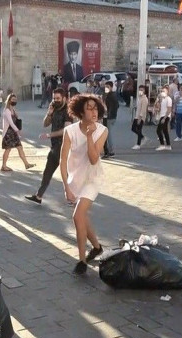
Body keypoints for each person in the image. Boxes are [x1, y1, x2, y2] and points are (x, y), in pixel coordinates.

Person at [60, 94, 107, 276]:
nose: (94, 112)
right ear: (80, 112)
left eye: (96, 108)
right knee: (82, 217)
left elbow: (94, 159)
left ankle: (82, 261)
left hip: (92, 178)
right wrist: (66, 187)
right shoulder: (70, 131)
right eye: (89, 108)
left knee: (77, 215)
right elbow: (62, 160)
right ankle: (97, 247)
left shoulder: (102, 130)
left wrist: (89, 136)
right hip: (75, 179)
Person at [26, 88, 72, 205]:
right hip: (54, 146)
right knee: (47, 172)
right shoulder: (54, 108)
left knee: (66, 173)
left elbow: (66, 130)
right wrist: (49, 113)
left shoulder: (68, 111)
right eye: (54, 98)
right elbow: (45, 124)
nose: (55, 100)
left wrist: (49, 135)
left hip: (63, 146)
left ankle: (73, 197)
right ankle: (39, 196)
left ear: (64, 98)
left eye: (58, 98)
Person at [0, 94, 34, 171]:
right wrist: (18, 131)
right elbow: (11, 123)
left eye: (15, 100)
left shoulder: (13, 110)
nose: (14, 101)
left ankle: (26, 164)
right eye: (13, 100)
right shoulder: (7, 110)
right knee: (8, 149)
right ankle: (3, 166)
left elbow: (16, 120)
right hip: (8, 132)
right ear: (9, 100)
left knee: (20, 147)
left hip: (13, 132)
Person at [102, 81, 119, 158]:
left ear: (111, 87)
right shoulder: (108, 95)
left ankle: (111, 151)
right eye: (105, 87)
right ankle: (108, 151)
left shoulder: (111, 96)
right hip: (109, 116)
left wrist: (108, 114)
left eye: (108, 87)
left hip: (109, 117)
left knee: (108, 134)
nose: (106, 88)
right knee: (107, 133)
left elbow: (115, 106)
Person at [154, 87, 173, 151]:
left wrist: (164, 118)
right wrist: (159, 101)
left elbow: (169, 109)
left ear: (167, 92)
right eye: (162, 91)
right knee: (165, 131)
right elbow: (159, 108)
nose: (163, 92)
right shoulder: (162, 99)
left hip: (165, 116)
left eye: (164, 91)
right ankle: (168, 145)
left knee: (158, 130)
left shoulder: (169, 99)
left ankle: (162, 144)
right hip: (162, 115)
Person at [131, 85, 149, 150]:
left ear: (144, 91)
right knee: (133, 128)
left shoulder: (144, 99)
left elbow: (143, 110)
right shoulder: (140, 98)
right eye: (139, 90)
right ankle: (143, 137)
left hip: (140, 117)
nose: (140, 91)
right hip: (137, 116)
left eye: (142, 90)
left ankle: (138, 144)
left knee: (139, 129)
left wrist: (140, 118)